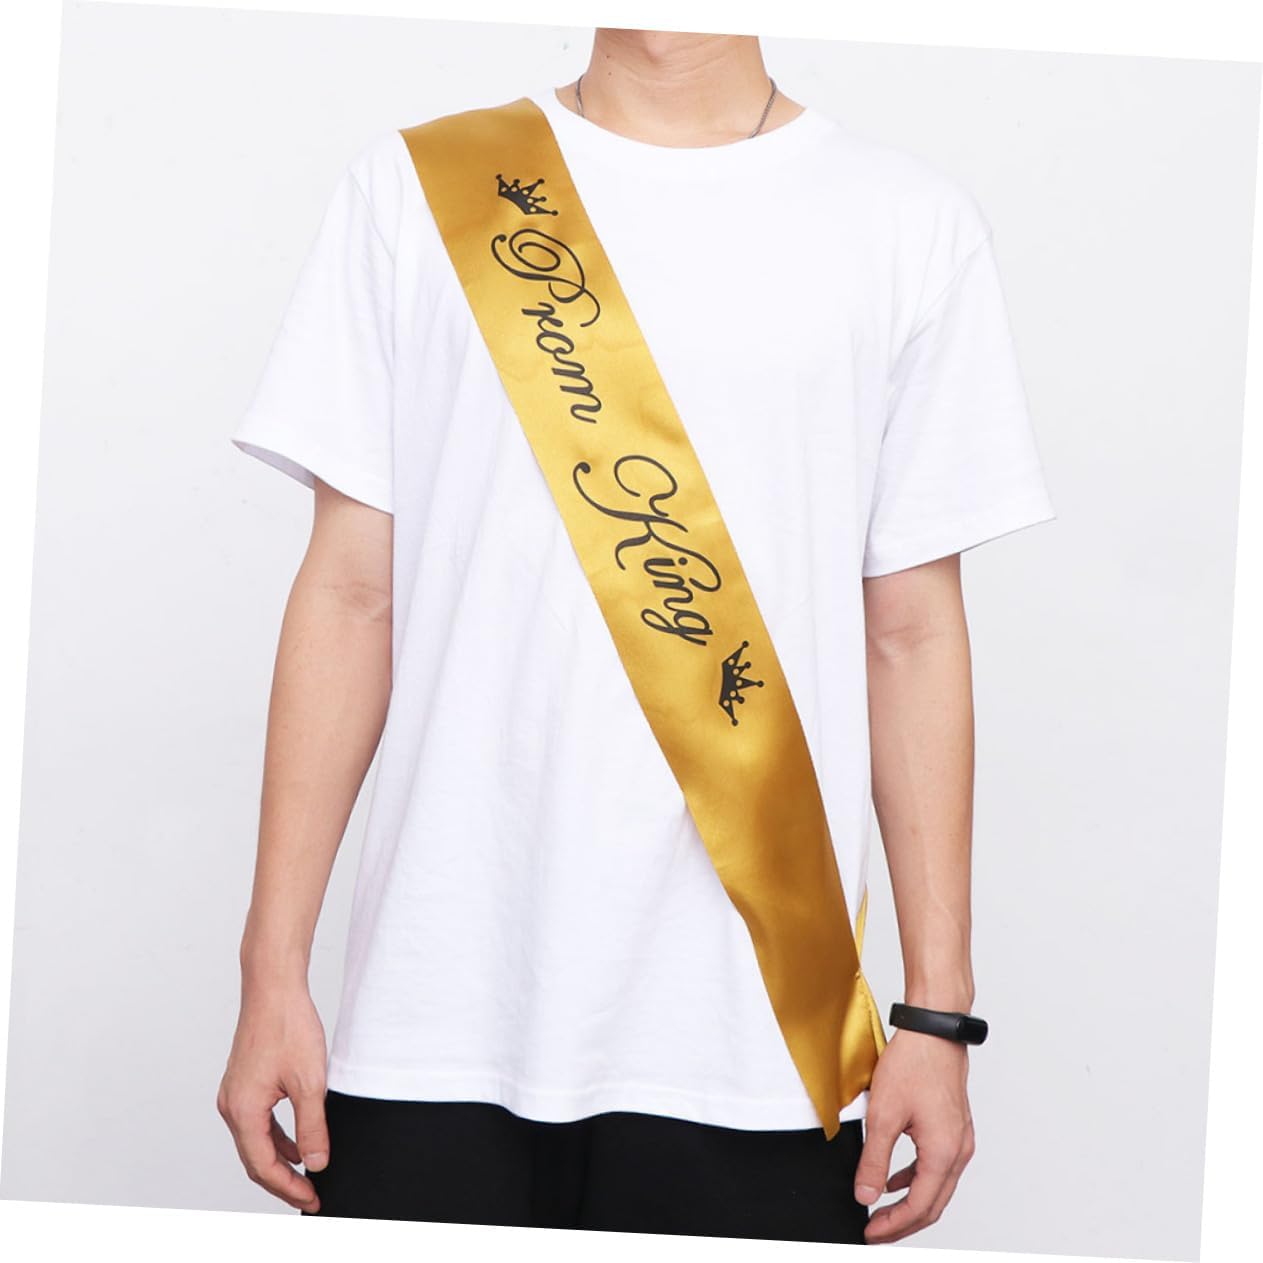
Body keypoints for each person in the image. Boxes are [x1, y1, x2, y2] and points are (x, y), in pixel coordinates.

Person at [217, 27, 1055, 1247]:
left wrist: (937, 1013)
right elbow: (351, 594)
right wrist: (271, 971)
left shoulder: (909, 223)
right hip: (434, 1013)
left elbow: (914, 634)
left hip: (764, 1039)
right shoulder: (417, 188)